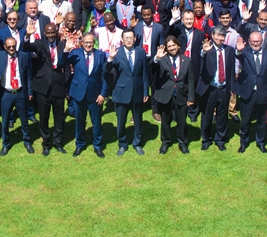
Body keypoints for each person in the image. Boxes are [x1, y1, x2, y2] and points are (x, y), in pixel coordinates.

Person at [25, 23, 70, 155]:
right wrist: (28, 35)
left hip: (58, 85)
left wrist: (67, 86)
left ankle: (58, 142)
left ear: (56, 33)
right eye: (48, 33)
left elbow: (66, 67)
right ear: (44, 33)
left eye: (52, 33)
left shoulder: (62, 45)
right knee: (43, 118)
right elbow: (26, 46)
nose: (50, 35)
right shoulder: (39, 44)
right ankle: (46, 144)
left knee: (59, 117)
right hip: (42, 87)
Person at [0, 37, 34, 155]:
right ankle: (6, 144)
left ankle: (27, 141)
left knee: (24, 119)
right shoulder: (0, 55)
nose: (11, 49)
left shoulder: (23, 56)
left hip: (20, 92)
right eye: (9, 47)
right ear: (5, 47)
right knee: (5, 120)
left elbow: (29, 75)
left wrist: (29, 92)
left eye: (13, 46)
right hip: (6, 93)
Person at [109, 28, 149, 156]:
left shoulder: (141, 52)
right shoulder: (117, 53)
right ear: (121, 40)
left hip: (137, 91)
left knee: (138, 119)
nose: (128, 40)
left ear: (135, 39)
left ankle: (137, 143)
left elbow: (144, 73)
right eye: (126, 38)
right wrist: (110, 59)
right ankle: (122, 143)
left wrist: (145, 92)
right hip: (121, 92)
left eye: (131, 38)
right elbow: (106, 71)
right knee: (121, 121)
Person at [68, 32, 108, 158]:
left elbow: (105, 76)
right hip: (79, 94)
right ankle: (79, 144)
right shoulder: (75, 53)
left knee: (96, 122)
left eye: (91, 42)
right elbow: (62, 62)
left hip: (95, 95)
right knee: (80, 121)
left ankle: (98, 146)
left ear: (94, 43)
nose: (88, 45)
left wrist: (103, 94)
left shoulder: (100, 55)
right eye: (86, 42)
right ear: (82, 43)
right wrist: (65, 50)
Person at [196, 27, 236, 151]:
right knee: (207, 115)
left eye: (222, 36)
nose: (220, 38)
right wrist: (203, 52)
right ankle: (206, 139)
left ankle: (220, 139)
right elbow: (199, 59)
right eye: (218, 35)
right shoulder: (207, 48)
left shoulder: (229, 50)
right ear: (213, 35)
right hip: (210, 88)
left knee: (222, 115)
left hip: (223, 88)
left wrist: (232, 88)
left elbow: (231, 70)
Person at [236, 30, 267, 153]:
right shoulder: (245, 53)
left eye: (257, 41)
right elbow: (238, 55)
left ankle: (261, 142)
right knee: (246, 120)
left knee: (261, 120)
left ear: (262, 41)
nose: (255, 44)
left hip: (263, 93)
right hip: (247, 92)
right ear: (249, 42)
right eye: (253, 41)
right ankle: (244, 143)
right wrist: (238, 50)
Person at [153, 36, 193, 154]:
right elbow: (152, 70)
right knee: (166, 120)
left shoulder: (186, 60)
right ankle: (165, 142)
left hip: (181, 95)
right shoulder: (162, 59)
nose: (172, 48)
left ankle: (182, 143)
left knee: (181, 121)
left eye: (173, 45)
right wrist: (156, 58)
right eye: (169, 46)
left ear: (178, 46)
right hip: (166, 95)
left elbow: (190, 80)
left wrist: (191, 97)